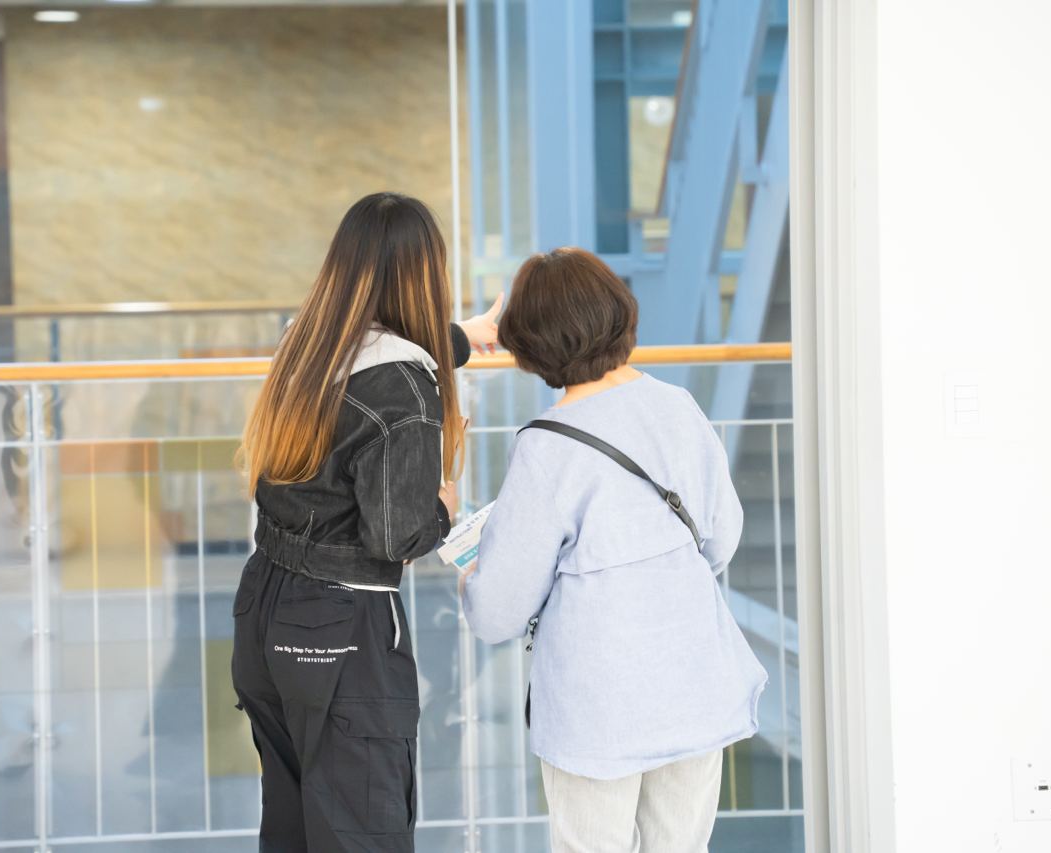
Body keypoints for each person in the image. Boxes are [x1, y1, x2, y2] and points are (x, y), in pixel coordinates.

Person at [461, 247, 767, 853]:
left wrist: (469, 572)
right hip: (694, 684)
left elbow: (497, 613)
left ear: (533, 342)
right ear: (618, 312)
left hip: (596, 709)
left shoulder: (546, 449)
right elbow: (722, 535)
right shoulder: (679, 407)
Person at [231, 192, 501, 852]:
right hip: (343, 635)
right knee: (363, 834)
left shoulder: (307, 344)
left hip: (264, 614)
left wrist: (467, 337)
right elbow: (397, 535)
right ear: (422, 277)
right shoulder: (406, 388)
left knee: (293, 829)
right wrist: (441, 508)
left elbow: (374, 362)